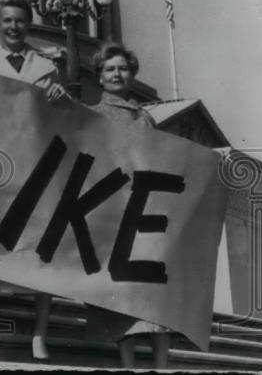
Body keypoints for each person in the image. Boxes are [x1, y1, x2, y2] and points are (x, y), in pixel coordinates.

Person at [0, 0, 69, 359]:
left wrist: (60, 95)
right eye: (7, 20)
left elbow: (64, 117)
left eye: (20, 21)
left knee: (44, 245)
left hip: (36, 161)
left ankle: (39, 332)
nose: (13, 27)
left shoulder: (46, 67)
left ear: (29, 25)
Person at [84, 42, 170, 370]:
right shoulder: (92, 114)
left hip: (147, 210)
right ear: (100, 77)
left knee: (156, 294)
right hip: (113, 211)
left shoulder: (145, 117)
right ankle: (128, 366)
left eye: (122, 68)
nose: (117, 74)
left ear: (131, 74)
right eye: (110, 69)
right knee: (123, 295)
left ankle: (162, 367)